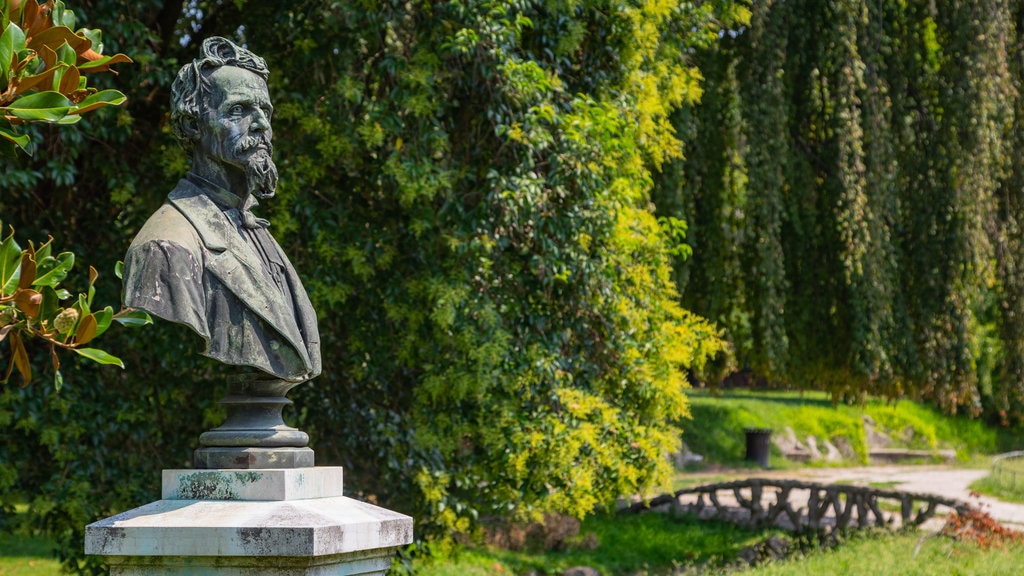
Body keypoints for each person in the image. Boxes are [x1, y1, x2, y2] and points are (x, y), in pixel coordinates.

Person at [123, 37, 321, 384]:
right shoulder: (166, 246)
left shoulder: (256, 230)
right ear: (193, 124)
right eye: (239, 110)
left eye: (265, 111)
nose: (260, 124)